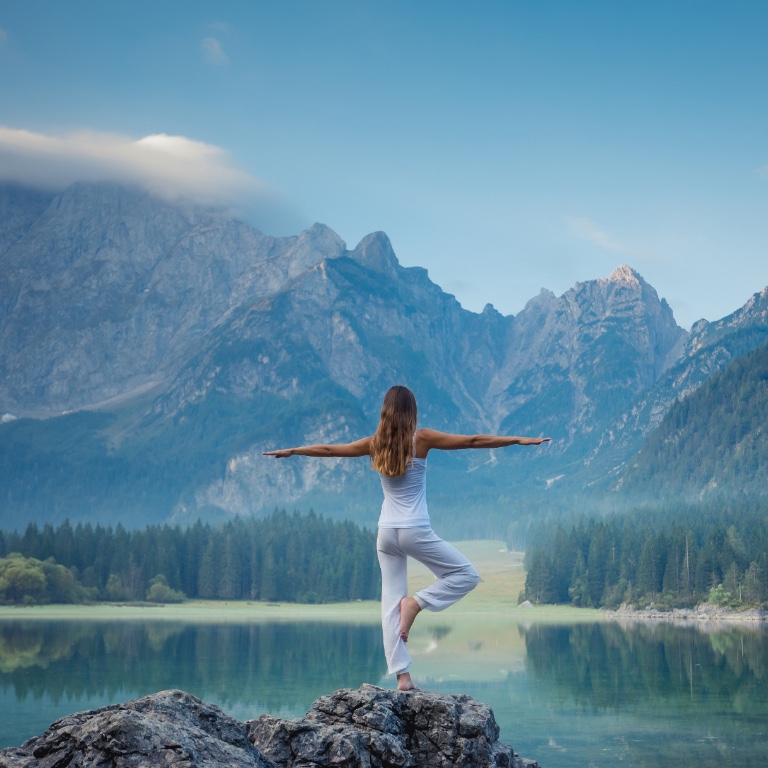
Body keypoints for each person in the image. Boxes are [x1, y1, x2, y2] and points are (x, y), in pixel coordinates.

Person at [264, 385, 550, 691]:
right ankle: (416, 604)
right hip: (415, 529)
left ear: (385, 412)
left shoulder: (375, 444)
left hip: (386, 533)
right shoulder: (421, 439)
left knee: (390, 603)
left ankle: (403, 677)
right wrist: (518, 440)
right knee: (466, 574)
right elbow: (473, 441)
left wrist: (294, 450)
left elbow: (330, 450)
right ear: (411, 411)